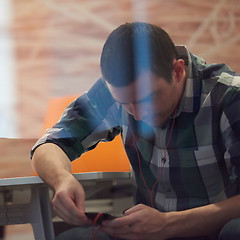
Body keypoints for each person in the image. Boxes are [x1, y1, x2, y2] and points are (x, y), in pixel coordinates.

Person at [30, 22, 240, 240]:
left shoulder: (230, 97)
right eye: (125, 103)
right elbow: (49, 145)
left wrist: (168, 224)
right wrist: (62, 180)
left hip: (214, 231)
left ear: (177, 71)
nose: (138, 114)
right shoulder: (112, 93)